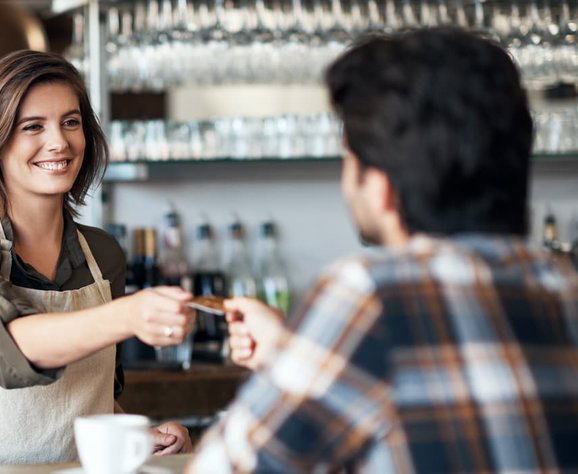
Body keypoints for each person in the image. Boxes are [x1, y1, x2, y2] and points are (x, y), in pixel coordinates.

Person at [189, 27, 578, 473]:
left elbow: (226, 466)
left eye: (348, 157)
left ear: (380, 188)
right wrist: (289, 351)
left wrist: (296, 354)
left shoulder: (372, 293)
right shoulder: (561, 286)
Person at [0, 50, 194, 466]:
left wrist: (144, 436)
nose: (60, 142)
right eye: (33, 127)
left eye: (71, 122)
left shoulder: (103, 255)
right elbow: (13, 346)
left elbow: (91, 401)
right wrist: (129, 314)